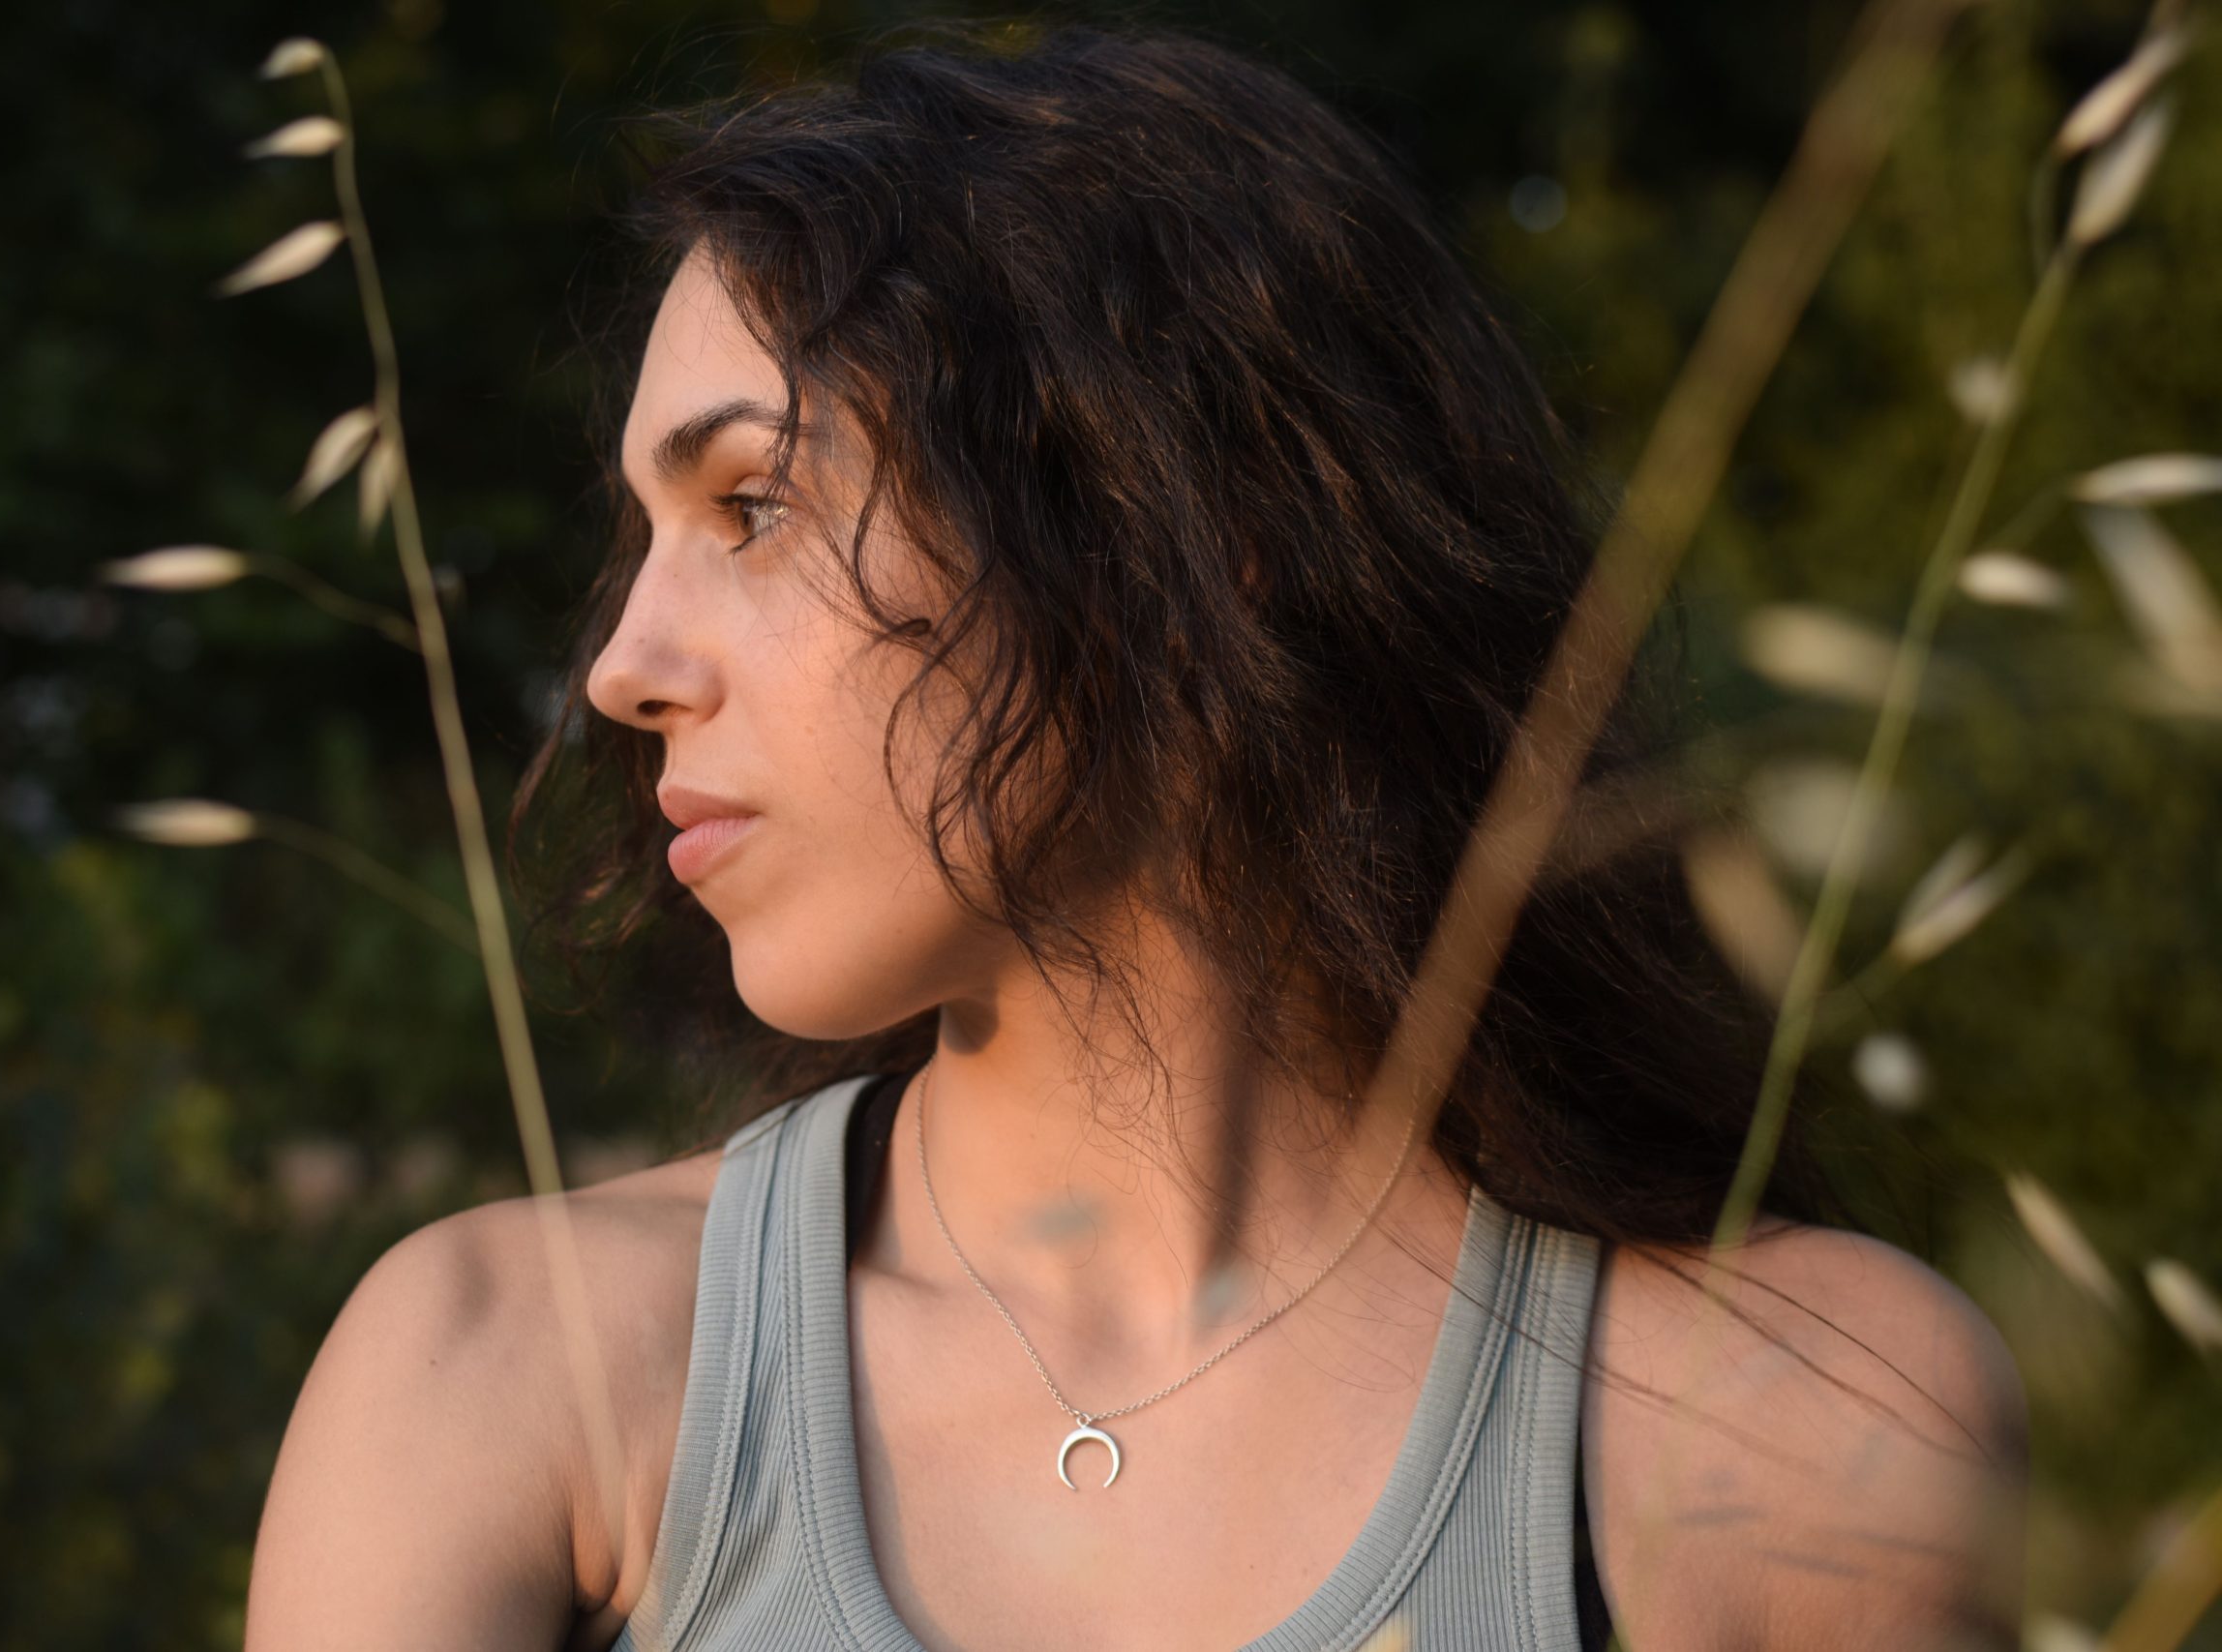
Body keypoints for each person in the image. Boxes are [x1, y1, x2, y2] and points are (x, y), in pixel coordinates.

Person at [244, 21, 2027, 1652]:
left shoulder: (1796, 1427)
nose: (623, 669)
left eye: (756, 504)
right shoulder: (504, 1376)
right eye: (643, 540)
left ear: (1180, 547)